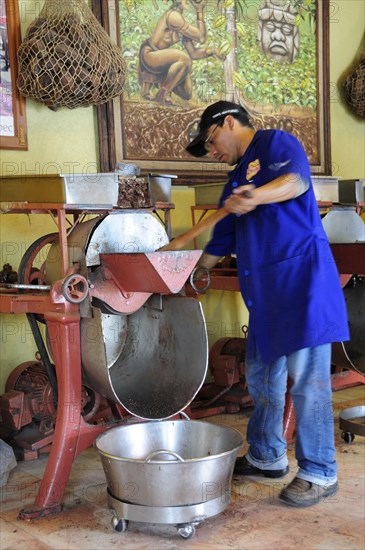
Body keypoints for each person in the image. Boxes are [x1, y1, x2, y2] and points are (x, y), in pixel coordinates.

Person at [186, 100, 350, 507]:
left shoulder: (275, 143)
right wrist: (192, 273)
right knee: (262, 381)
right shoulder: (234, 181)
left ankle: (320, 472)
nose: (212, 152)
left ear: (228, 122)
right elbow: (220, 238)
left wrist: (256, 196)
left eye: (211, 141)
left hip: (301, 286)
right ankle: (266, 455)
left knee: (308, 383)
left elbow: (296, 182)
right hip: (265, 296)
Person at [138, 0, 224, 105]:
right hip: (150, 56)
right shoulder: (174, 16)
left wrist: (212, 51)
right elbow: (201, 38)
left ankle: (163, 86)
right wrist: (200, 10)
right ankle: (163, 95)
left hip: (160, 60)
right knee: (185, 59)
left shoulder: (180, 22)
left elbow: (193, 54)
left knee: (186, 93)